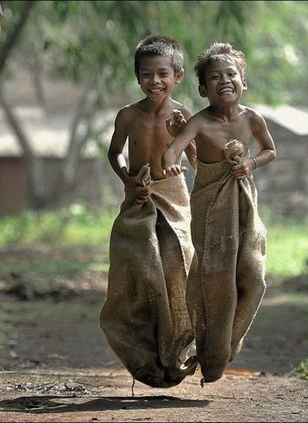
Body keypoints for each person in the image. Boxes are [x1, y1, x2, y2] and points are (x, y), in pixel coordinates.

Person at [162, 41, 277, 386]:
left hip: (244, 206)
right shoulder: (199, 121)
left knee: (253, 277)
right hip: (210, 208)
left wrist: (251, 163)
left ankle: (225, 344)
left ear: (244, 81)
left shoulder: (252, 118)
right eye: (215, 77)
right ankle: (211, 355)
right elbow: (174, 151)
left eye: (231, 74)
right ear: (202, 88)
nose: (224, 80)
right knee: (216, 280)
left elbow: (270, 150)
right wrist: (170, 167)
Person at [100, 34, 198, 389]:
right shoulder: (128, 115)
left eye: (162, 74)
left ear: (178, 76)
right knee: (139, 269)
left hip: (173, 195)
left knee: (179, 263)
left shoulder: (184, 115)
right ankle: (144, 354)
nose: (154, 81)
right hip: (139, 196)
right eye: (146, 75)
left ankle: (177, 348)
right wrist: (126, 178)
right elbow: (115, 152)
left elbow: (197, 159)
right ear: (137, 77)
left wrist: (180, 157)